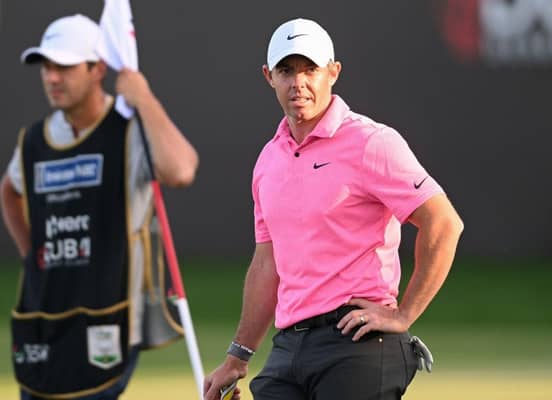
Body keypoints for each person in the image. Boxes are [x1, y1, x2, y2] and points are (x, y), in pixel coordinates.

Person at [204, 18, 464, 400]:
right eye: (286, 71)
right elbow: (267, 263)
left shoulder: (371, 142)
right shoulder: (268, 161)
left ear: (333, 72)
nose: (299, 83)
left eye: (310, 69)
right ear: (268, 77)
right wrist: (238, 356)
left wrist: (404, 314)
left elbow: (443, 223)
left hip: (356, 342)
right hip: (289, 347)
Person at [0, 14, 198, 399]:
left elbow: (181, 169)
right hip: (45, 315)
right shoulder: (37, 140)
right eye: (47, 67)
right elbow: (9, 191)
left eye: (65, 66)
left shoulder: (127, 131)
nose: (51, 77)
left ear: (97, 69)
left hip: (111, 316)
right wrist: (33, 258)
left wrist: (141, 97)